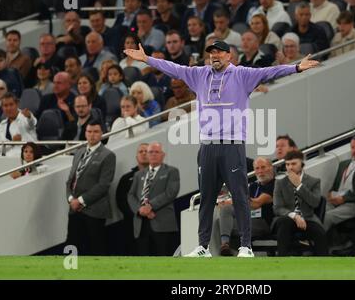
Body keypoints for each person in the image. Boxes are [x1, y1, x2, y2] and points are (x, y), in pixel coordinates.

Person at [124, 39, 319, 257]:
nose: (214, 56)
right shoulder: (199, 75)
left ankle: (246, 247)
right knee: (206, 198)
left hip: (232, 146)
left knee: (239, 196)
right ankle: (203, 247)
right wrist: (147, 59)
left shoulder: (242, 74)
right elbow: (175, 69)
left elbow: (269, 72)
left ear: (229, 56)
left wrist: (296, 67)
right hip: (207, 147)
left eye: (219, 52)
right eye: (211, 53)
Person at [65, 120, 116, 255]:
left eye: (95, 132)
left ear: (102, 134)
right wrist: (71, 199)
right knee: (72, 245)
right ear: (85, 133)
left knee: (95, 248)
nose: (92, 135)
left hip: (94, 211)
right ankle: (71, 274)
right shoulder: (78, 152)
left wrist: (80, 201)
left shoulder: (108, 155)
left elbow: (103, 185)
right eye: (89, 131)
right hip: (74, 210)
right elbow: (70, 180)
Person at [127, 141, 180, 256]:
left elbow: (171, 193)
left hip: (162, 223)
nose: (153, 154)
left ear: (163, 155)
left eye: (157, 152)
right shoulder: (138, 174)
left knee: (164, 257)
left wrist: (150, 206)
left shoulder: (171, 171)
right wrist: (140, 210)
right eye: (150, 152)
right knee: (144, 259)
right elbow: (130, 195)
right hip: (141, 224)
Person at [216, 157, 276, 256]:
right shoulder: (253, 186)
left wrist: (236, 198)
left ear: (270, 168)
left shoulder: (275, 184)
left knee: (228, 224)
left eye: (263, 167)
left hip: (263, 222)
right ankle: (225, 246)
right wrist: (227, 203)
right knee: (225, 213)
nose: (260, 171)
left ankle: (235, 252)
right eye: (257, 168)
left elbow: (256, 204)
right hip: (248, 219)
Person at [273, 150, 328, 256]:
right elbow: (277, 208)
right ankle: (282, 259)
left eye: (294, 164)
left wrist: (299, 186)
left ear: (302, 164)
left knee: (320, 233)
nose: (290, 167)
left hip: (308, 218)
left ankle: (324, 263)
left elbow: (315, 203)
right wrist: (294, 216)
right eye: (287, 164)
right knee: (285, 223)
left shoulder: (314, 181)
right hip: (287, 218)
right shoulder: (280, 183)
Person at [116, 142, 150, 255]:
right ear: (136, 157)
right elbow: (121, 201)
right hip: (132, 224)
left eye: (147, 151)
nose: (144, 153)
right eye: (141, 151)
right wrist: (137, 213)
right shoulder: (126, 179)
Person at [0, 92, 37, 157]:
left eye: (11, 104)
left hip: (27, 160)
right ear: (2, 107)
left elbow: (32, 123)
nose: (9, 108)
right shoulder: (1, 125)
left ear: (17, 104)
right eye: (6, 106)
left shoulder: (25, 117)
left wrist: (29, 116)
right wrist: (12, 143)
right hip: (7, 161)